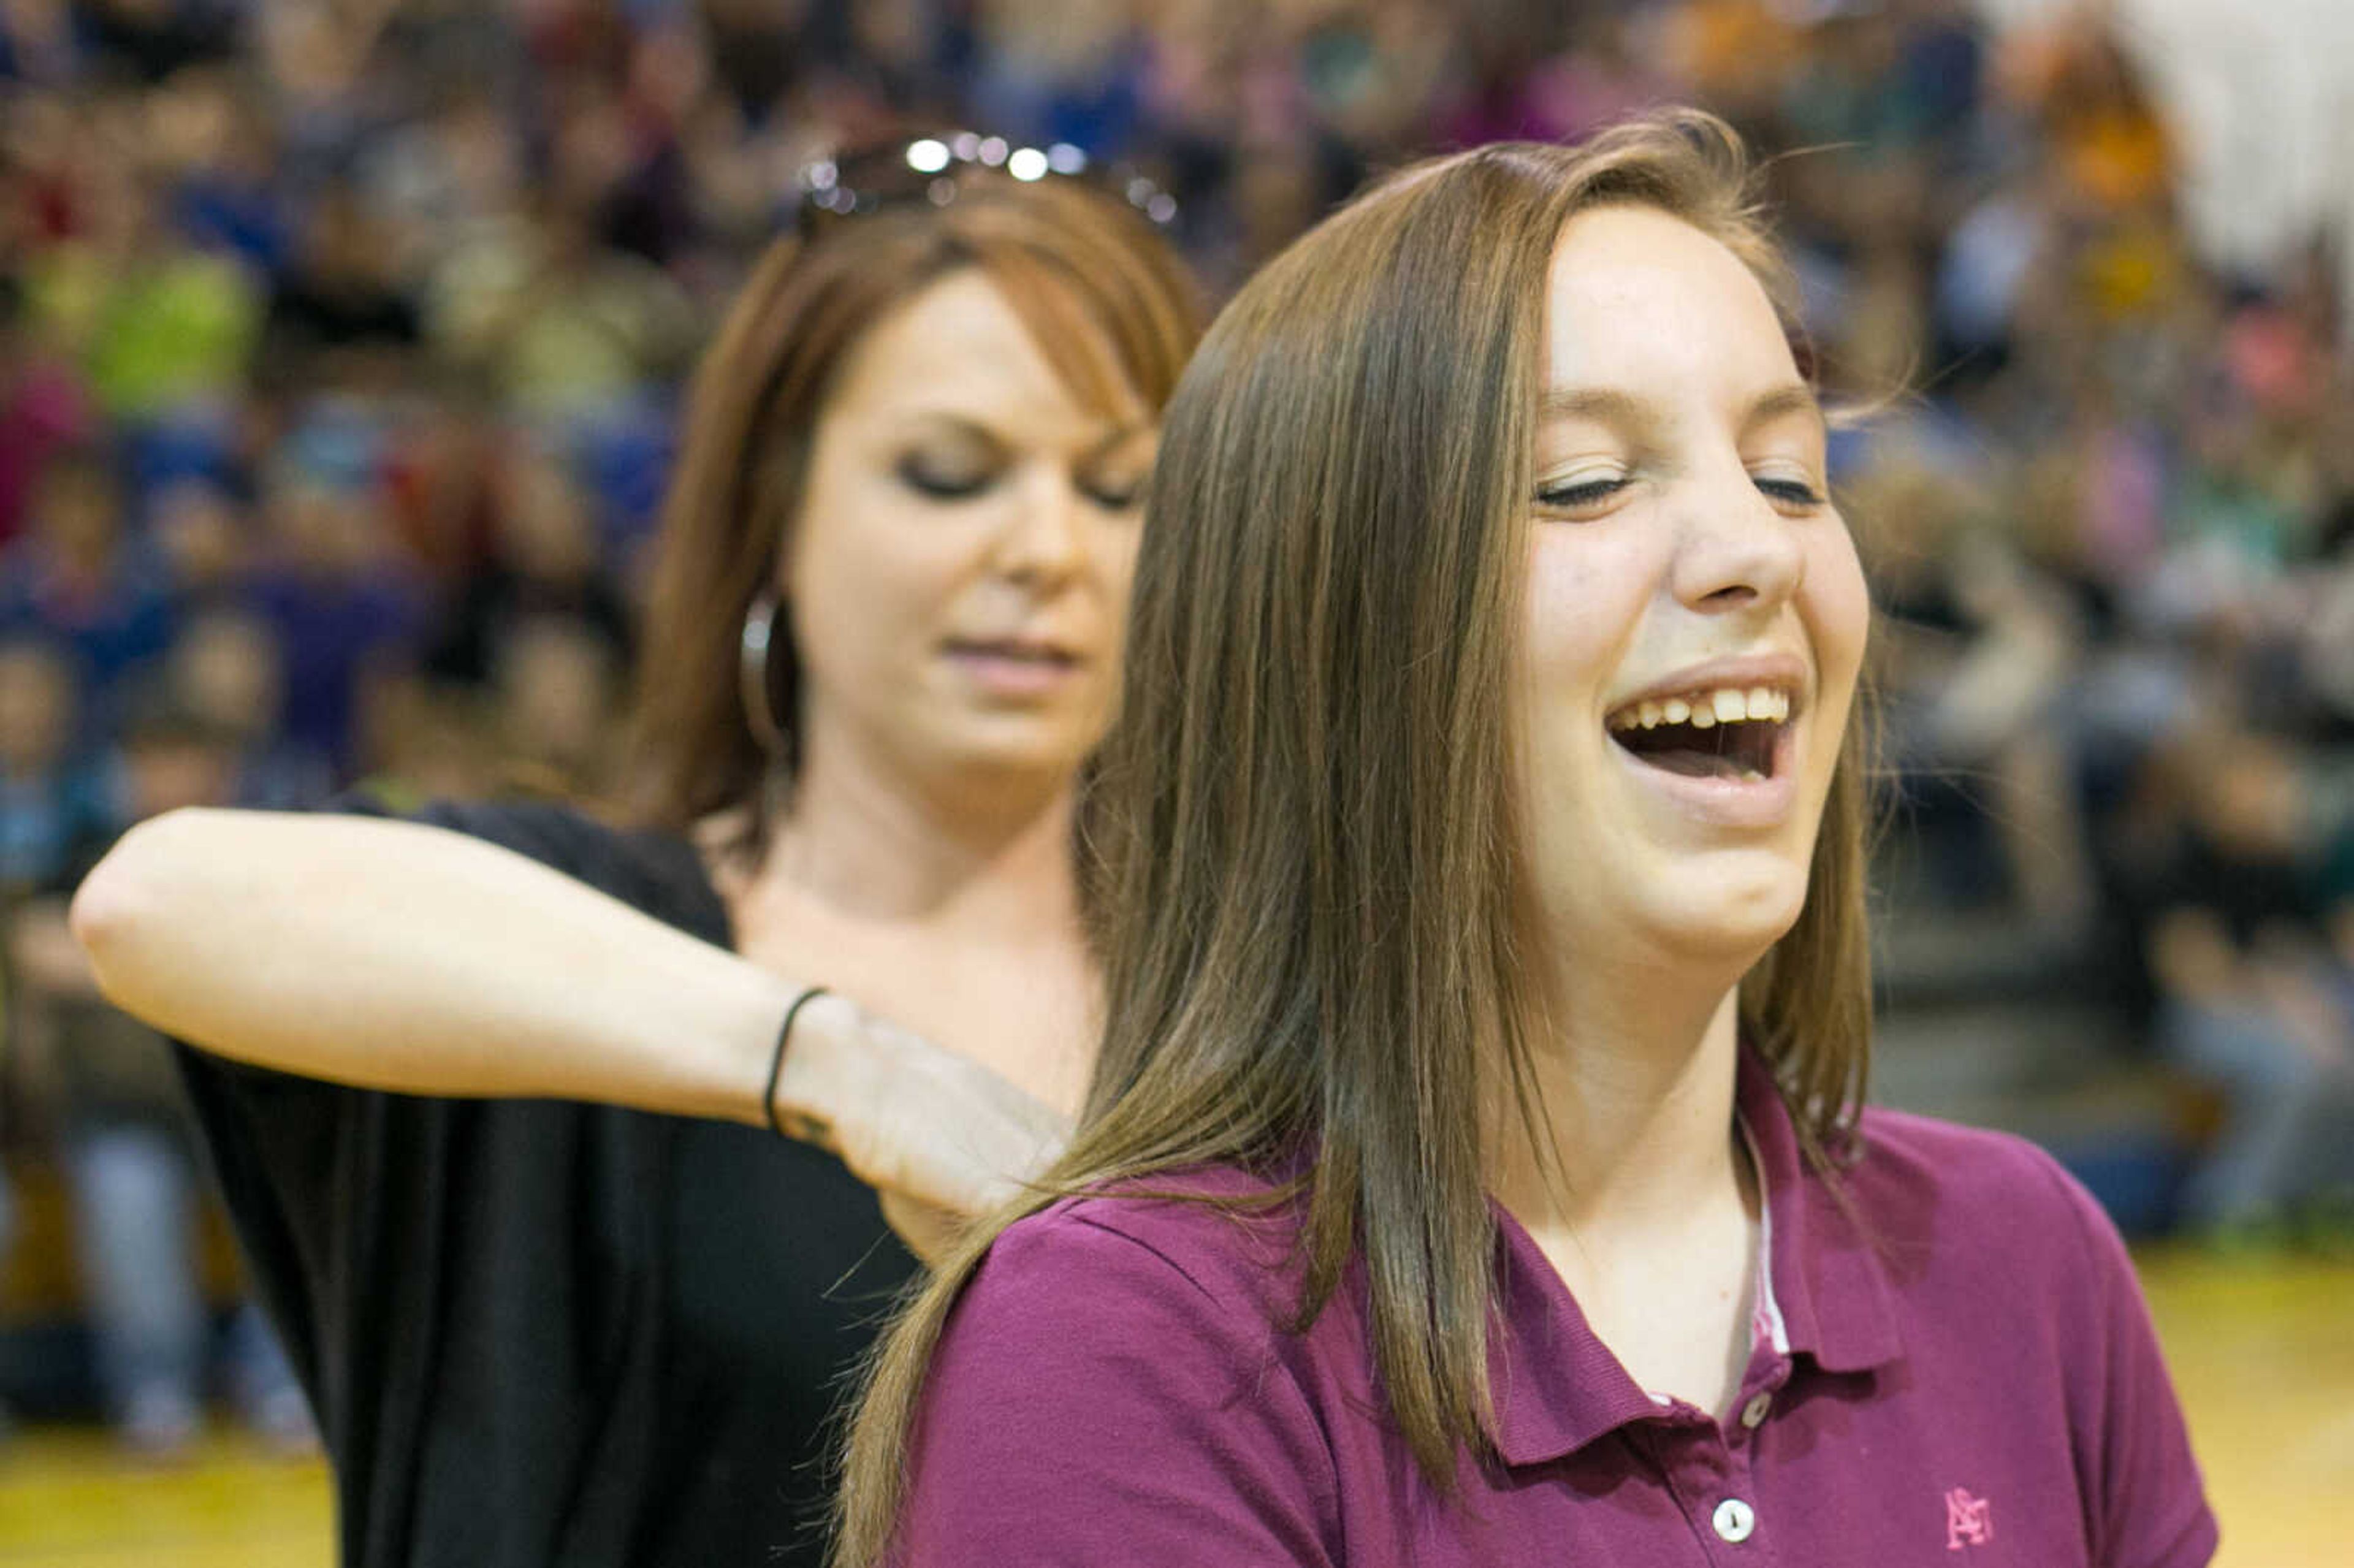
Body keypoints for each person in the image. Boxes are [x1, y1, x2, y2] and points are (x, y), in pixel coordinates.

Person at [834, 112, 2217, 1567]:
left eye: (1792, 474)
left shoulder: (2026, 1256)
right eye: (1583, 482)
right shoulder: (1118, 1355)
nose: (1754, 548)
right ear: (1328, 645)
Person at [69, 137, 1198, 1567]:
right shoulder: (597, 941)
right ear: (776, 508)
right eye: (949, 472)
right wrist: (840, 1060)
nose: (1050, 547)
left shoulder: (1265, 999)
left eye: (1118, 490)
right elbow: (156, 898)